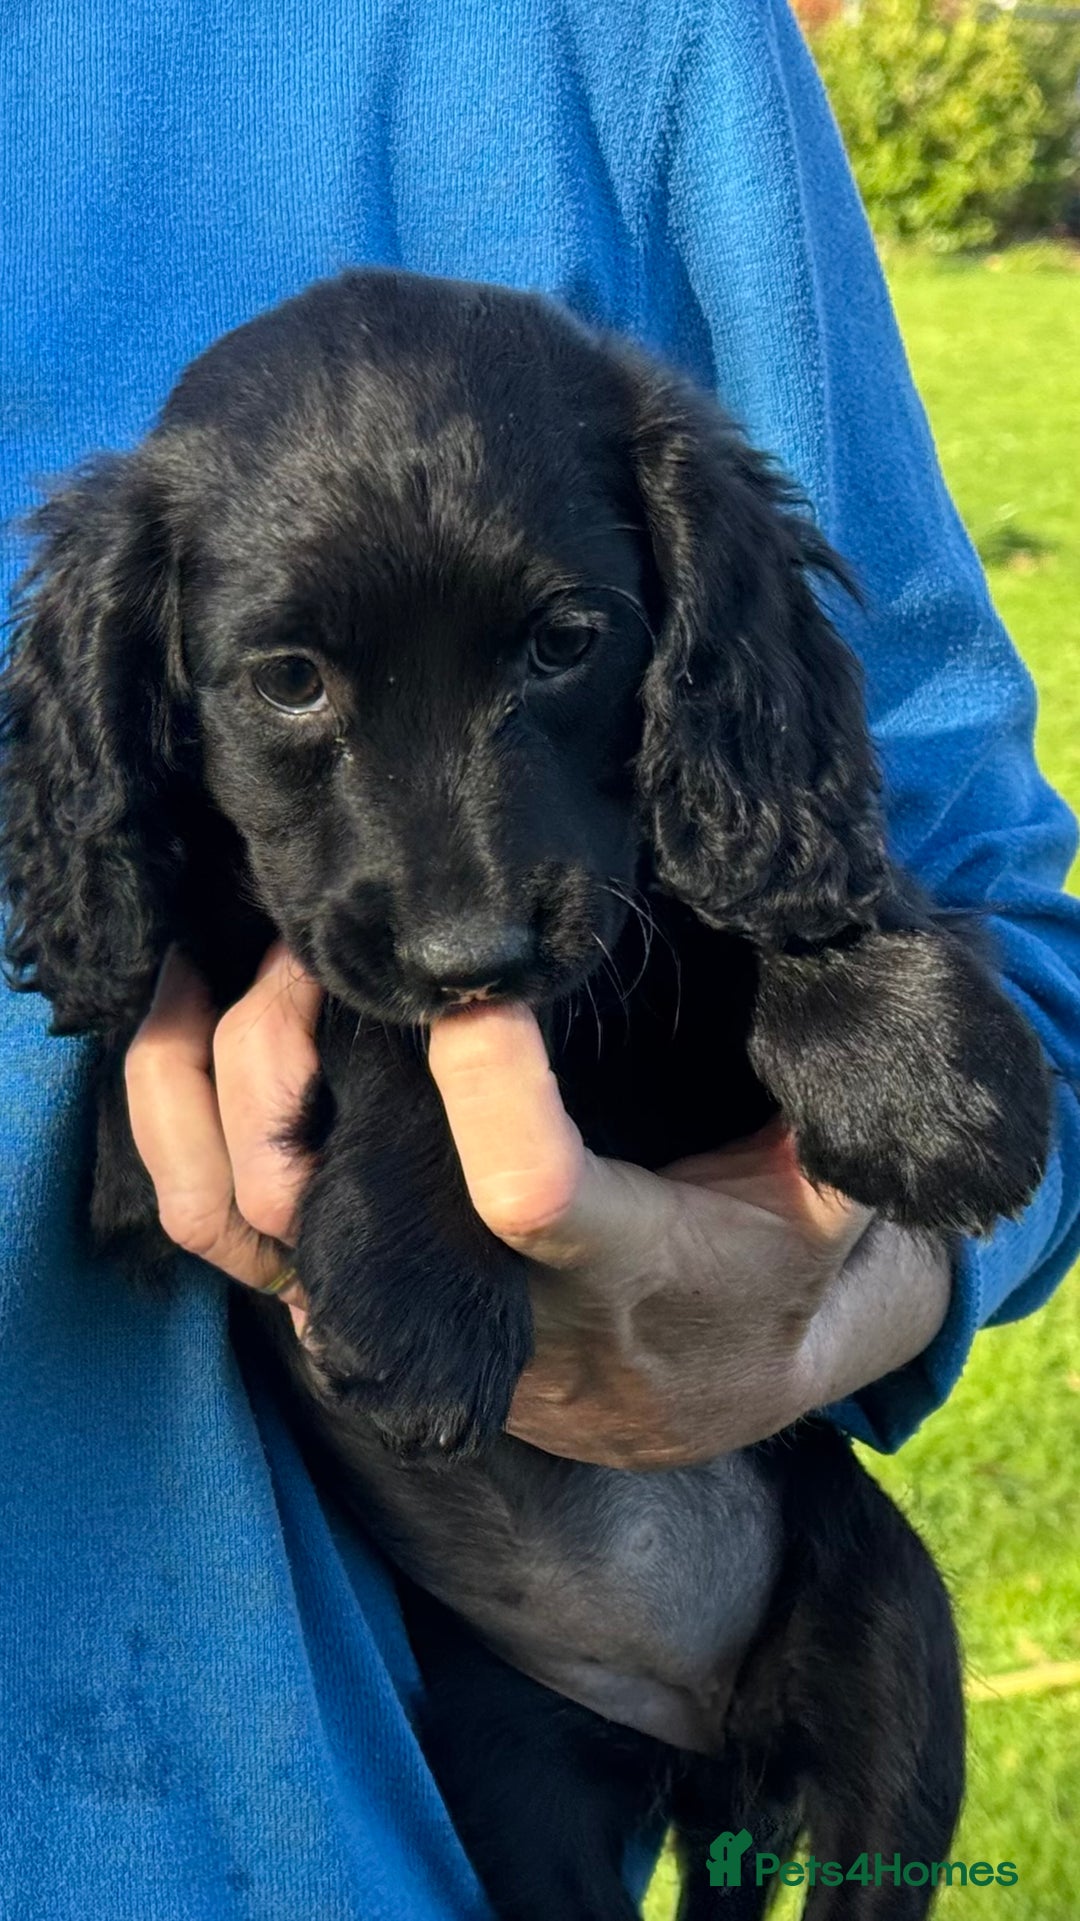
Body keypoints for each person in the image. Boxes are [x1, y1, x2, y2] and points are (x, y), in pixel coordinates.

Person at [2, 2, 1079, 1915]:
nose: (461, 909)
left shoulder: (632, 42)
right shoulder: (130, 635)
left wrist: (848, 1264)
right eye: (291, 683)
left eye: (560, 648)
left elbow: (984, 905)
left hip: (794, 1594)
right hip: (382, 1747)